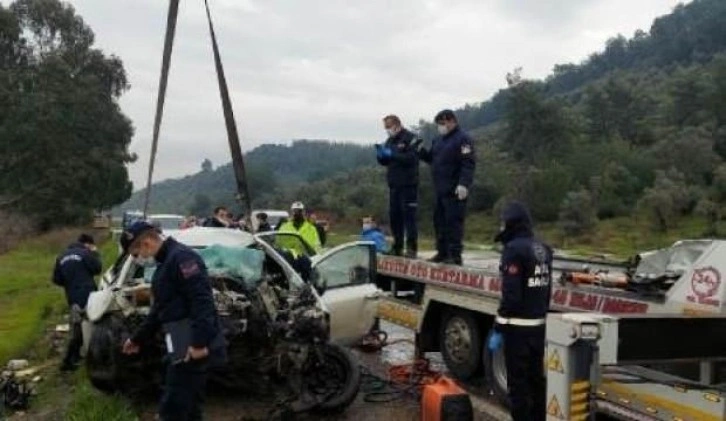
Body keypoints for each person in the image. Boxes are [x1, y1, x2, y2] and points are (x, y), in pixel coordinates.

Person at [120, 221, 226, 421]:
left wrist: (199, 343)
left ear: (148, 242)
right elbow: (160, 308)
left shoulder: (182, 258)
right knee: (190, 406)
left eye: (136, 253)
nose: (138, 259)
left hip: (189, 342)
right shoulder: (165, 264)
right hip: (178, 341)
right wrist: (137, 338)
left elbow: (201, 302)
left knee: (173, 407)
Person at [491, 202, 552, 421]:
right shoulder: (543, 249)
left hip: (518, 331)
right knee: (537, 382)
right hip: (538, 327)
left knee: (518, 387)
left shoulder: (513, 250)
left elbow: (512, 297)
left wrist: (499, 327)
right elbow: (547, 290)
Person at [418, 109, 475, 265]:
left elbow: (468, 163)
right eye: (439, 124)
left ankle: (455, 255)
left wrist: (464, 184)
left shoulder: (463, 139)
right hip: (440, 189)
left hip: (455, 190)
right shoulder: (438, 140)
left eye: (443, 123)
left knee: (453, 223)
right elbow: (432, 159)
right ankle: (442, 252)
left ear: (452, 121)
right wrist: (420, 151)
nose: (441, 127)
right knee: (439, 222)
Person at [52, 233, 102, 371]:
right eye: (92, 245)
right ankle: (68, 362)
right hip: (88, 295)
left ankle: (75, 357)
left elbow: (56, 279)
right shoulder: (86, 253)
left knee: (77, 325)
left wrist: (70, 283)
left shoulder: (61, 256)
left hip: (72, 297)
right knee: (84, 327)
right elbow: (98, 269)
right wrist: (95, 254)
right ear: (87, 244)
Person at [375, 114, 421, 258]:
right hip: (394, 185)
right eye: (385, 128)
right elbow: (387, 162)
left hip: (408, 185)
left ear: (397, 124)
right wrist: (381, 156)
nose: (387, 130)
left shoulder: (410, 138)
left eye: (388, 127)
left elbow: (412, 158)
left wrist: (392, 154)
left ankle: (412, 248)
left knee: (409, 218)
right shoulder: (390, 140)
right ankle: (397, 246)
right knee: (395, 218)